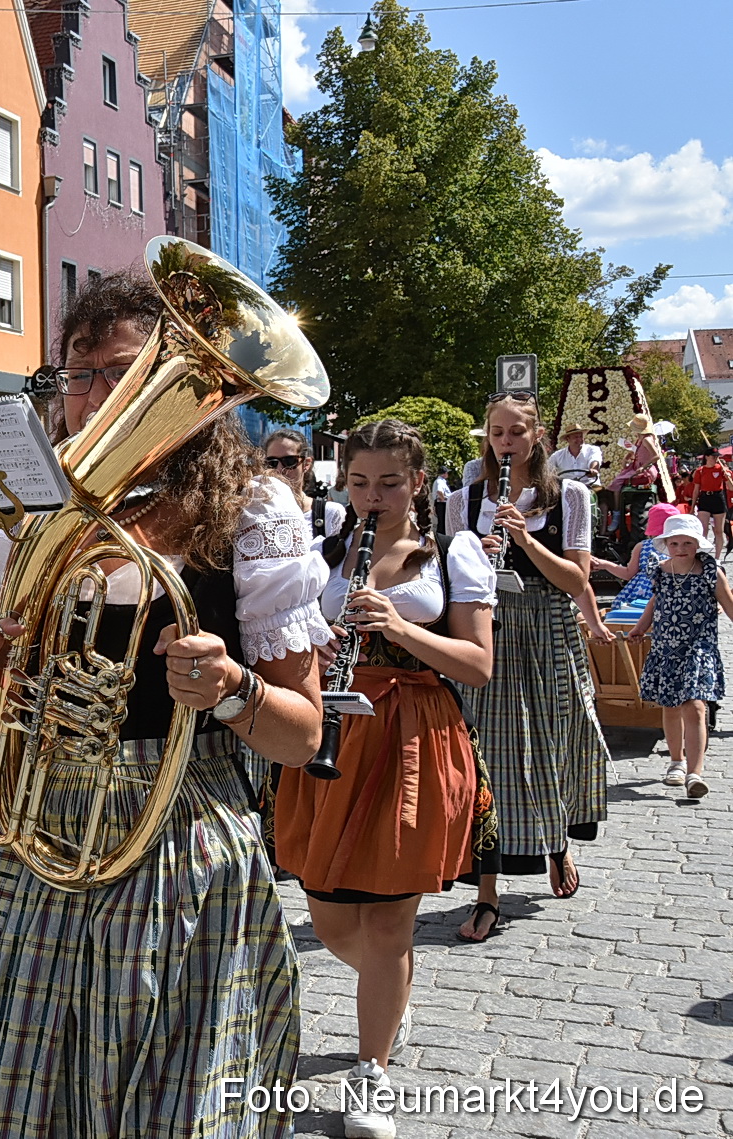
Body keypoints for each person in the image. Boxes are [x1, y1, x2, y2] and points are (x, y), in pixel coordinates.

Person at [0, 268, 331, 1139]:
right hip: (33, 843)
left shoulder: (252, 513)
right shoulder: (18, 511)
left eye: (123, 370)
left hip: (177, 839)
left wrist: (233, 689)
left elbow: (302, 735)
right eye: (80, 372)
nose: (97, 393)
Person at [275, 421, 498, 1139]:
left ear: (418, 482)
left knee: (390, 918)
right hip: (334, 733)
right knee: (331, 917)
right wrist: (317, 645)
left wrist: (398, 629)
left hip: (414, 737)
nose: (373, 497)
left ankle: (372, 1070)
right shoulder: (323, 551)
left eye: (390, 483)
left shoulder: (452, 552)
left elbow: (478, 665)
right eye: (360, 483)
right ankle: (389, 989)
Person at [446, 392, 609, 941]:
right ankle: (487, 894)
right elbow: (451, 580)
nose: (506, 442)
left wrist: (523, 539)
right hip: (488, 628)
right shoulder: (464, 500)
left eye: (516, 432)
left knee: (553, 743)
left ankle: (555, 843)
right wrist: (475, 552)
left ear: (537, 436)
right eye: (497, 433)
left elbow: (576, 580)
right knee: (487, 754)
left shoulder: (569, 496)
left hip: (547, 626)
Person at [628, 514, 733, 797]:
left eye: (687, 543)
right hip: (666, 647)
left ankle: (695, 774)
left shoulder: (711, 572)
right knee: (671, 706)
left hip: (698, 647)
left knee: (695, 705)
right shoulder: (660, 570)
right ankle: (676, 761)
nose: (681, 548)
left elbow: (728, 604)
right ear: (667, 545)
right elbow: (655, 601)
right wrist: (640, 627)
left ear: (697, 544)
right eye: (674, 543)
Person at [592, 502, 676, 610]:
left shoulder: (642, 546)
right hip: (670, 592)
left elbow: (628, 574)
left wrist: (605, 565)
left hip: (641, 596)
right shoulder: (680, 548)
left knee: (631, 613)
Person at [264, 427, 342, 541]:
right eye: (272, 463)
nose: (279, 469)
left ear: (306, 464)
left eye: (289, 461)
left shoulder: (330, 514)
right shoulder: (257, 514)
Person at [692, 452, 732, 556]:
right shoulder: (700, 471)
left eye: (717, 456)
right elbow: (696, 490)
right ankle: (702, 554)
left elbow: (731, 487)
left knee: (719, 531)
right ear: (707, 457)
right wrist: (692, 507)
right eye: (713, 456)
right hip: (705, 498)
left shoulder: (721, 469)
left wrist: (728, 477)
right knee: (703, 529)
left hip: (718, 498)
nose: (716, 458)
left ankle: (717, 557)